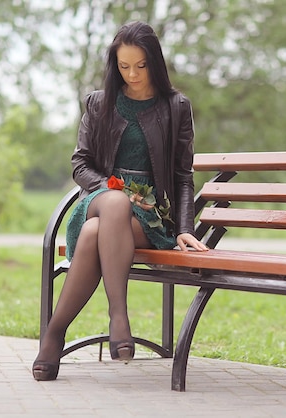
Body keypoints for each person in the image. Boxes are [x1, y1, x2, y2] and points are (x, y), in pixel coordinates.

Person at [32, 21, 208, 381]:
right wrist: (109, 186)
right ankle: (119, 316)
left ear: (154, 63)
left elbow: (182, 175)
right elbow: (80, 163)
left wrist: (186, 228)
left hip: (149, 215)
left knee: (98, 232)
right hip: (100, 196)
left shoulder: (176, 107)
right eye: (124, 66)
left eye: (140, 66)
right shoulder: (99, 103)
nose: (133, 74)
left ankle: (53, 336)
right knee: (112, 204)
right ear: (115, 65)